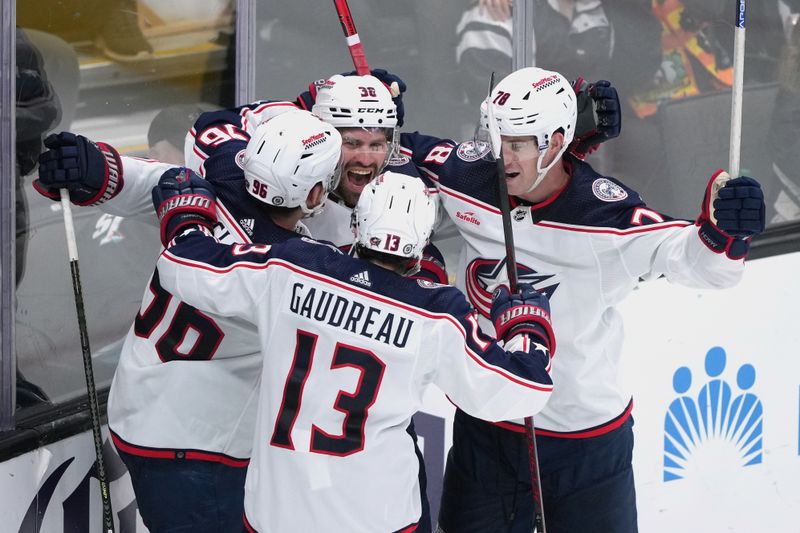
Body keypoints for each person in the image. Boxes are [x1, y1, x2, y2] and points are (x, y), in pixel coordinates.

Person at [396, 66, 766, 533]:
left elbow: (699, 262)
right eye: (495, 137)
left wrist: (724, 231)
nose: (499, 155)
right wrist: (365, 100)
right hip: (486, 427)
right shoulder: (468, 175)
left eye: (517, 143)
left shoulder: (603, 215)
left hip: (585, 442)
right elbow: (394, 152)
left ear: (554, 143)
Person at [152, 169, 556, 532]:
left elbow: (184, 267)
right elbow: (522, 389)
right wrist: (527, 326)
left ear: (359, 224)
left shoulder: (293, 266)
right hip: (376, 518)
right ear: (421, 243)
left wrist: (186, 215)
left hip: (277, 515)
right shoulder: (436, 313)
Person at [36, 109, 342, 531]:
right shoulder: (293, 267)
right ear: (313, 196)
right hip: (199, 451)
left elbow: (165, 180)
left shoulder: (217, 191)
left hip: (138, 417)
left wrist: (98, 169)